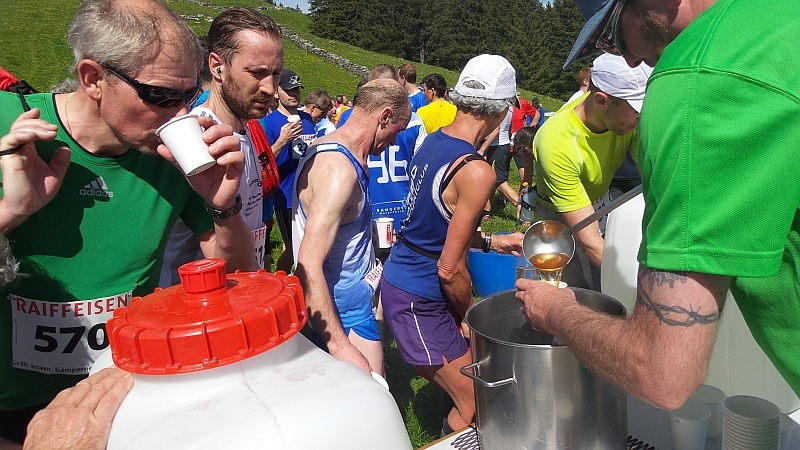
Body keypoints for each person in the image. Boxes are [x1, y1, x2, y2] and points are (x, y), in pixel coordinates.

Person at [517, 0, 800, 411]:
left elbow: (663, 373)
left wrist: (557, 309)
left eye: (613, 33)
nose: (629, 57)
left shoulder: (695, 80)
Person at [0, 0, 257, 443]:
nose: (180, 115)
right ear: (93, 79)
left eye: (188, 96)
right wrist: (11, 213)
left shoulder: (173, 157)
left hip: (121, 391)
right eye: (160, 96)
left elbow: (239, 278)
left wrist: (221, 205)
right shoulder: (11, 127)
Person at [381, 54, 524, 434]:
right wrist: (469, 315)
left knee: (470, 386)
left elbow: (431, 226)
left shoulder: (433, 140)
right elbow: (449, 267)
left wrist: (494, 241)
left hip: (404, 281)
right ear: (503, 110)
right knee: (476, 402)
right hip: (419, 298)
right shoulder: (477, 171)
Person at [292, 79, 411, 376]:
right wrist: (340, 346)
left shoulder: (333, 148)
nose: (396, 142)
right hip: (344, 313)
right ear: (384, 117)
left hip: (352, 302)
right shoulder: (339, 171)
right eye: (399, 129)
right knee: (375, 404)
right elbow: (308, 261)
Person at [161, 7, 284, 286]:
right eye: (257, 72)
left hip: (239, 296)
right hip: (200, 311)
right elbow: (219, 258)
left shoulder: (246, 126)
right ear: (217, 66)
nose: (270, 88)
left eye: (276, 73)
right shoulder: (197, 139)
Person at [530, 53, 651, 290]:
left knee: (605, 287)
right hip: (558, 217)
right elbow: (590, 241)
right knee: (567, 296)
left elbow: (653, 182)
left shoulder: (628, 121)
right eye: (636, 109)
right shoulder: (556, 143)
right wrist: (639, 292)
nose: (642, 117)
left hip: (601, 204)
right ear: (602, 101)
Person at [259, 68, 316, 273]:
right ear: (276, 92)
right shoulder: (268, 123)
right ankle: (280, 279)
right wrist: (283, 140)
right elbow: (262, 162)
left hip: (310, 192)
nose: (294, 94)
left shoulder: (307, 119)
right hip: (285, 195)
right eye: (288, 90)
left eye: (297, 90)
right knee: (293, 249)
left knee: (312, 245)